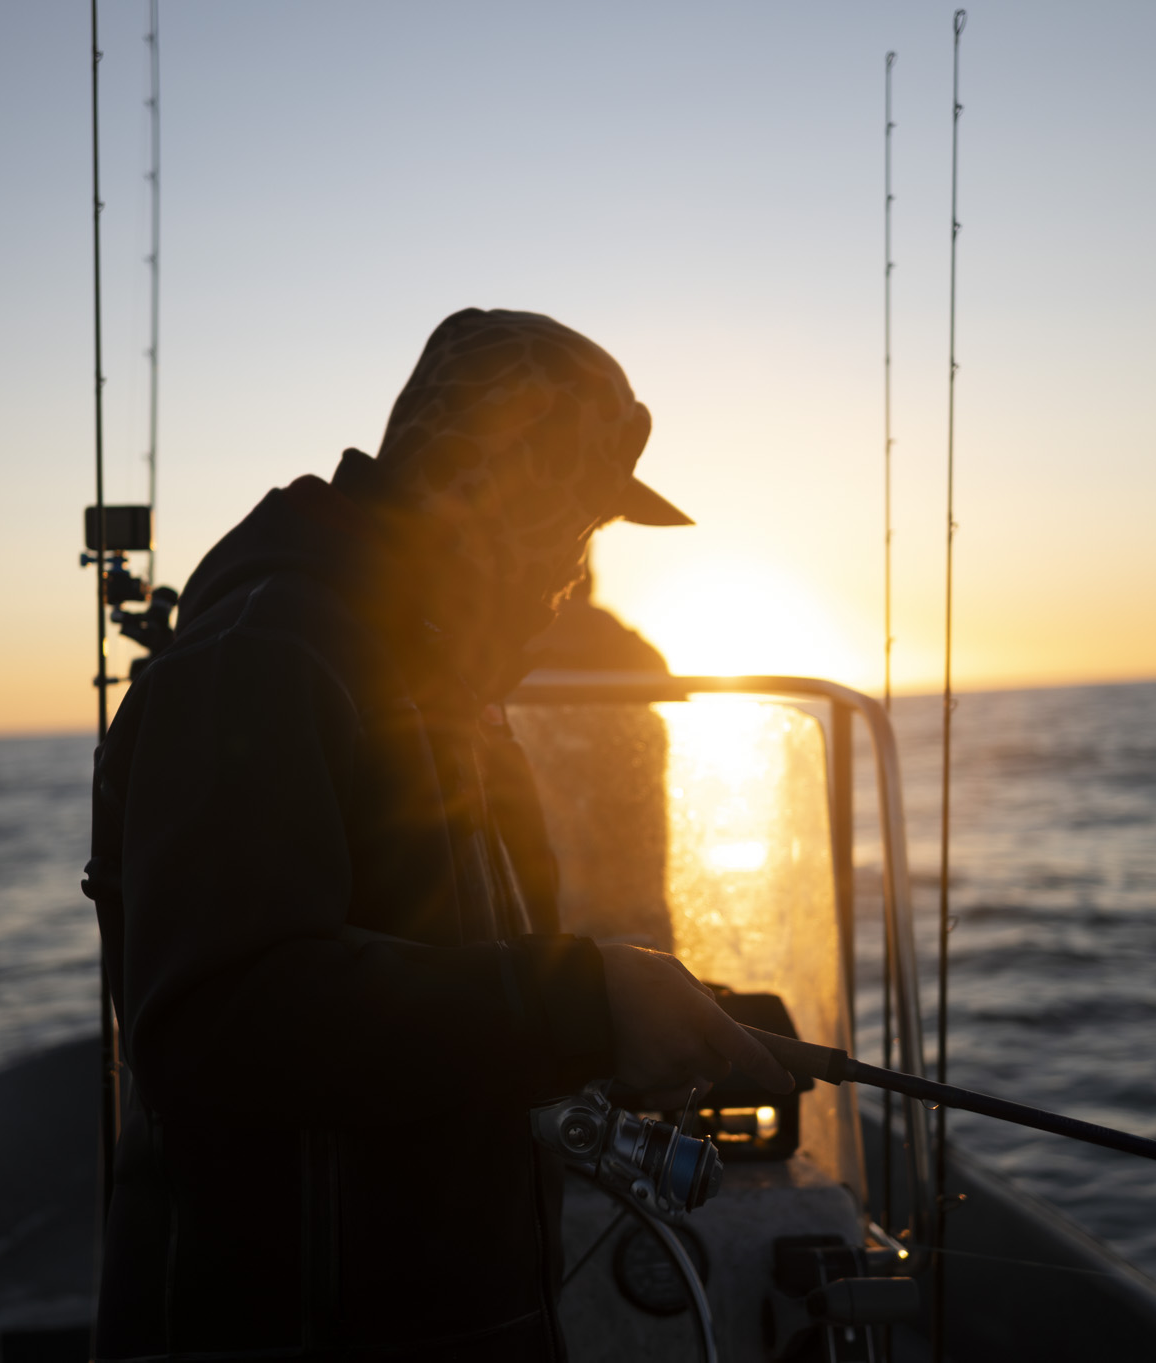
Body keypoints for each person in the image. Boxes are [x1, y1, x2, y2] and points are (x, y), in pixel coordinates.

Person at [84, 308, 792, 1362]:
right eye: (573, 526)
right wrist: (582, 1000)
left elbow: (455, 990)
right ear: (484, 487)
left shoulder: (445, 688)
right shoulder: (261, 657)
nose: (572, 575)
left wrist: (625, 1025)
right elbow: (219, 1024)